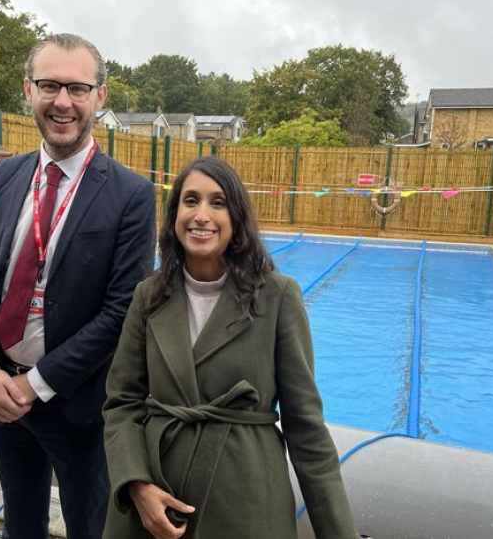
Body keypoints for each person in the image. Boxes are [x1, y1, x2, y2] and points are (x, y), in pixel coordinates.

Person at [102, 157, 359, 539]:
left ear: (236, 217)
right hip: (157, 498)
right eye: (190, 201)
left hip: (246, 501)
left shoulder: (277, 297)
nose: (201, 215)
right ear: (174, 215)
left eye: (217, 203)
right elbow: (121, 402)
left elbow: (306, 429)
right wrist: (136, 485)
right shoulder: (149, 296)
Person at [0, 33, 157, 539]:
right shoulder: (6, 176)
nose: (63, 102)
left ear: (100, 96)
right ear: (28, 90)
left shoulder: (131, 194)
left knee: (90, 531)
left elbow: (123, 313)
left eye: (77, 88)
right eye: (49, 86)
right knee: (21, 526)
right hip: (4, 395)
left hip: (80, 409)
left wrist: (37, 383)